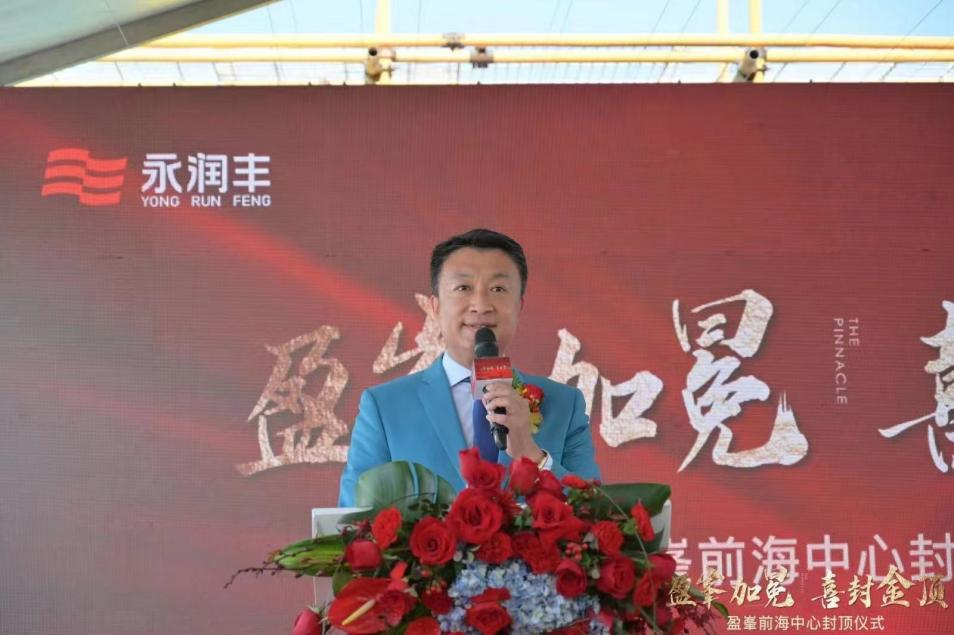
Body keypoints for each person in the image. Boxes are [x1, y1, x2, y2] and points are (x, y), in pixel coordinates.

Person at [338, 228, 600, 506]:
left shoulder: (564, 405)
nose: (481, 305)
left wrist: (531, 455)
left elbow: (596, 512)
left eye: (498, 289)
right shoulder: (385, 407)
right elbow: (352, 519)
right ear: (435, 307)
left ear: (519, 306)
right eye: (463, 288)